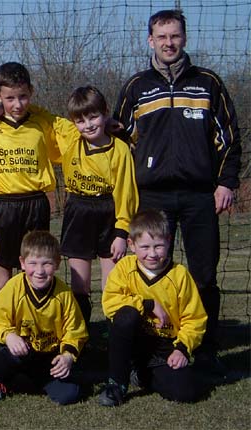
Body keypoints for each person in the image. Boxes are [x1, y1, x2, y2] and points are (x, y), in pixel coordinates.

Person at [113, 9, 241, 374]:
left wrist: (226, 182)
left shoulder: (208, 83)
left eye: (175, 36)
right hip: (152, 196)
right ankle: (148, 350)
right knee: (150, 272)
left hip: (200, 195)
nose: (168, 43)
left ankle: (205, 350)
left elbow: (229, 137)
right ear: (150, 40)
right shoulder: (136, 86)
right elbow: (118, 138)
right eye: (162, 37)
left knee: (203, 275)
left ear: (184, 38)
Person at [98, 209, 207, 406]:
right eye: (145, 247)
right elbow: (110, 303)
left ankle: (142, 374)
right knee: (126, 315)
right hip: (133, 342)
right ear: (131, 244)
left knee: (186, 392)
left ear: (169, 241)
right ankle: (117, 382)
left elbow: (195, 319)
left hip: (164, 346)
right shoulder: (124, 268)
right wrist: (147, 304)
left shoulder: (180, 275)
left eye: (158, 246)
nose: (153, 254)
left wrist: (182, 349)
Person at [59, 86, 138, 326]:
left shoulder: (120, 149)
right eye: (80, 121)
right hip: (78, 210)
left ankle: (112, 331)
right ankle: (81, 333)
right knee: (79, 283)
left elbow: (126, 193)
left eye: (93, 117)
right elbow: (42, 118)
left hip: (108, 212)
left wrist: (122, 232)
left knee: (112, 282)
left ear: (105, 113)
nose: (88, 125)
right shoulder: (70, 139)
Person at [0, 62, 67, 292]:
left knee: (34, 264)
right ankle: (4, 310)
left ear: (31, 91)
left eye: (23, 96)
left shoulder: (42, 123)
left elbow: (71, 133)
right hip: (1, 205)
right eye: (9, 98)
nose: (17, 104)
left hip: (35, 203)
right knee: (1, 266)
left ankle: (32, 310)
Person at [0, 230, 88, 405]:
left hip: (48, 357)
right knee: (7, 355)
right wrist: (9, 335)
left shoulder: (64, 294)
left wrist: (68, 356)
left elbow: (75, 331)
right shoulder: (14, 287)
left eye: (47, 264)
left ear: (57, 263)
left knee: (69, 394)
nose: (39, 271)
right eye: (33, 263)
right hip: (20, 353)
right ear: (22, 263)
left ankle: (28, 383)